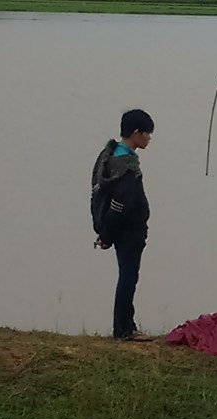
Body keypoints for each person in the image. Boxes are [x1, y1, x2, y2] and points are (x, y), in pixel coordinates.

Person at [91, 109, 154, 341]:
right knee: (128, 277)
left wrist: (105, 231)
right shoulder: (126, 164)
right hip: (129, 231)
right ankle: (123, 329)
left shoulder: (110, 156)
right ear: (136, 133)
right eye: (147, 133)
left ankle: (128, 325)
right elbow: (120, 203)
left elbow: (101, 196)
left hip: (119, 229)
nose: (149, 138)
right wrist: (108, 233)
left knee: (127, 275)